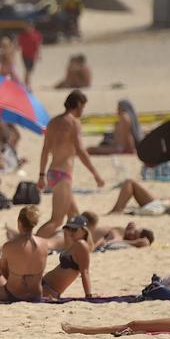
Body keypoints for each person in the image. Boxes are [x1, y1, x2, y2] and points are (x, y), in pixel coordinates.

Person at [35, 91, 105, 237]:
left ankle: (72, 246)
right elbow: (80, 150)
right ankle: (32, 243)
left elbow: (45, 150)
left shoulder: (53, 122)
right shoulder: (73, 123)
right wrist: (96, 174)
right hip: (63, 175)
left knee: (74, 217)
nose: (83, 111)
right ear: (78, 104)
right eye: (83, 107)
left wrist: (41, 175)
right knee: (56, 221)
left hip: (52, 173)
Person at [40, 215, 94, 298]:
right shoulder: (74, 245)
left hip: (50, 289)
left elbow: (85, 271)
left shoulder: (81, 245)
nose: (71, 232)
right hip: (46, 286)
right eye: (69, 229)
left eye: (75, 229)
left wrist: (88, 295)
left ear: (84, 230)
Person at [17, 23, 42, 89]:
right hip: (25, 55)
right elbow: (19, 44)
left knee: (30, 70)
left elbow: (38, 45)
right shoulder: (22, 35)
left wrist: (38, 54)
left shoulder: (36, 35)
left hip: (32, 56)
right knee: (27, 70)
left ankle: (26, 83)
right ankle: (27, 84)